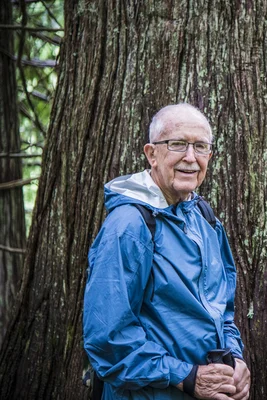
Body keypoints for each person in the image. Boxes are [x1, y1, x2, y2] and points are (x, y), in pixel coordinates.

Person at [83, 103, 250, 400]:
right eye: (177, 144)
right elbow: (107, 339)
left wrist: (234, 359)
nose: (190, 157)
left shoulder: (205, 219)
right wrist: (186, 377)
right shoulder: (129, 227)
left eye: (200, 147)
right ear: (152, 154)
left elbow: (222, 309)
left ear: (209, 156)